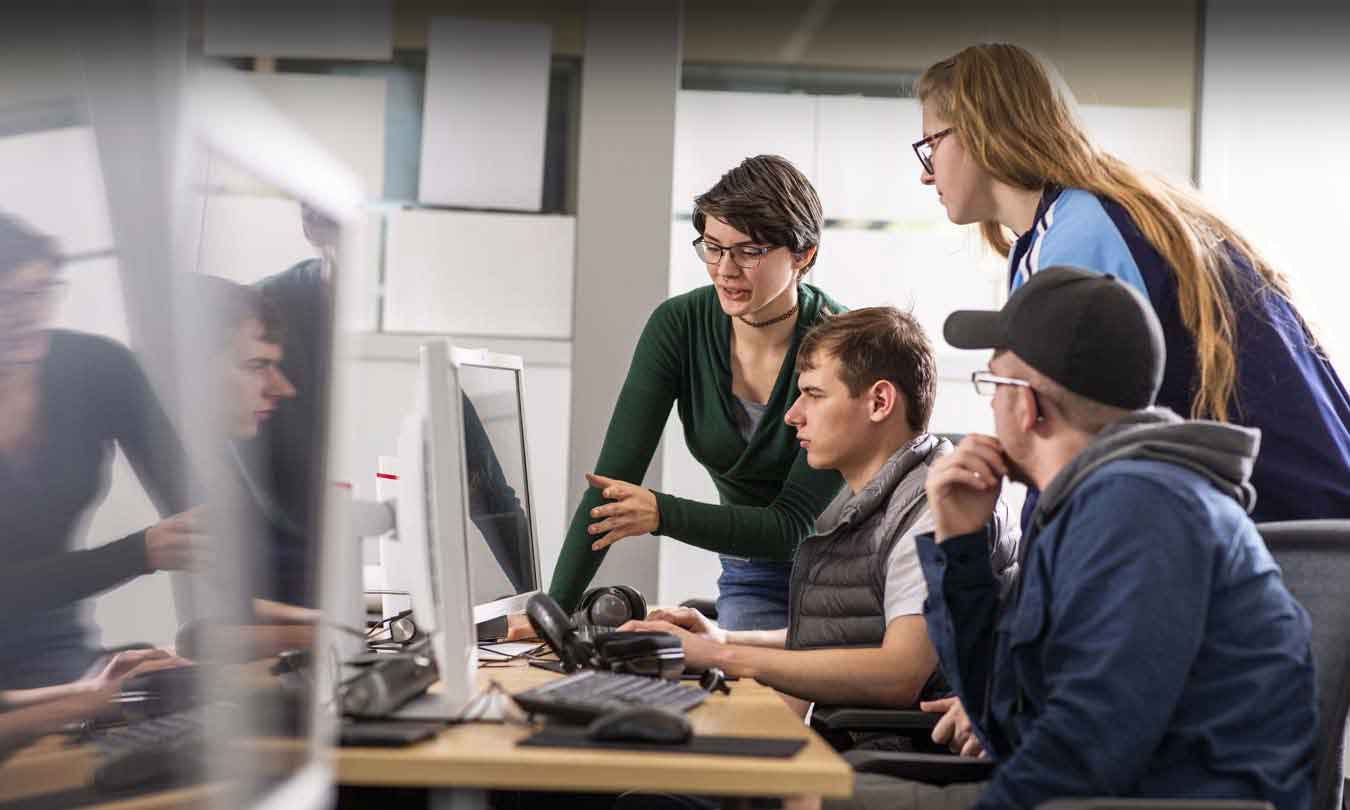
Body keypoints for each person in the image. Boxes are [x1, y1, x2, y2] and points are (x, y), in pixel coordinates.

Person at [827, 267, 1315, 810]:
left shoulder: (1139, 511)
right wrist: (959, 545)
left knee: (789, 799)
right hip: (1094, 796)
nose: (989, 408)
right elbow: (1001, 714)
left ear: (1026, 403)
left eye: (992, 385)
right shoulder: (1094, 505)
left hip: (1146, 801)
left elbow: (1083, 755)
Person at [912, 42, 1350, 523]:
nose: (925, 174)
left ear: (979, 131)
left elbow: (1066, 446)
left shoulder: (1080, 236)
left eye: (932, 144)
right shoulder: (1088, 217)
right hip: (1304, 519)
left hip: (1290, 533)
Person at [621, 307, 1016, 722]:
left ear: (880, 402)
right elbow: (853, 636)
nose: (793, 415)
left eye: (813, 394)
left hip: (887, 759)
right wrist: (724, 635)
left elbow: (897, 674)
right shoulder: (873, 497)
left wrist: (718, 655)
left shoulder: (934, 508)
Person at [544, 155, 847, 630]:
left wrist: (659, 513)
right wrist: (553, 613)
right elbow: (610, 484)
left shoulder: (841, 343)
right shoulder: (679, 325)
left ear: (803, 254)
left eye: (749, 251)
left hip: (851, 576)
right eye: (713, 247)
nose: (725, 269)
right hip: (754, 572)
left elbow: (790, 527)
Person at [0, 213, 202, 689]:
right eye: (6, 299)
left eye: (39, 292)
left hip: (54, 642)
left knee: (183, 695)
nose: (27, 315)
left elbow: (193, 500)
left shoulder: (97, 367)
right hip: (36, 657)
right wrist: (138, 553)